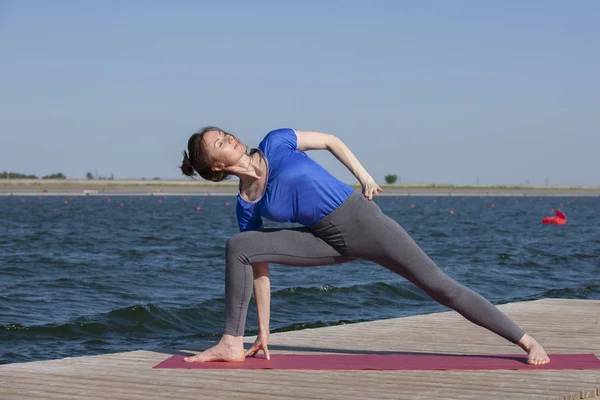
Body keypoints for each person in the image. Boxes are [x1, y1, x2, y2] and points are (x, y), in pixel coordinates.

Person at [179, 126, 550, 365]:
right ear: (215, 167)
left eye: (224, 133)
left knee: (440, 286)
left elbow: (330, 141)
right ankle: (232, 341)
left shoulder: (275, 142)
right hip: (324, 240)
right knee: (239, 245)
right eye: (218, 143)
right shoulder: (247, 202)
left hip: (364, 223)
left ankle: (526, 340)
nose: (228, 137)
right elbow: (259, 269)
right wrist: (264, 328)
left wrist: (365, 177)